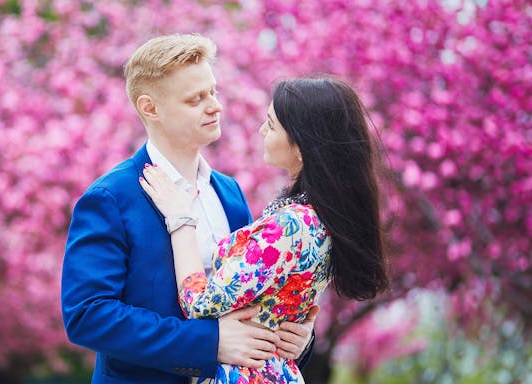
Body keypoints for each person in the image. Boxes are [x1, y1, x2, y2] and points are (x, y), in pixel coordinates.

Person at [61, 34, 316, 384]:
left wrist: (295, 336)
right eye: (196, 99)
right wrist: (208, 344)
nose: (215, 106)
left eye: (213, 92)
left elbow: (251, 295)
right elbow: (87, 315)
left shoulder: (230, 193)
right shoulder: (110, 197)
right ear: (150, 108)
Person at [139, 76, 391, 383]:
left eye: (271, 125)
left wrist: (180, 218)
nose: (261, 130)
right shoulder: (320, 217)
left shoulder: (291, 226)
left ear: (301, 147)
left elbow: (199, 303)